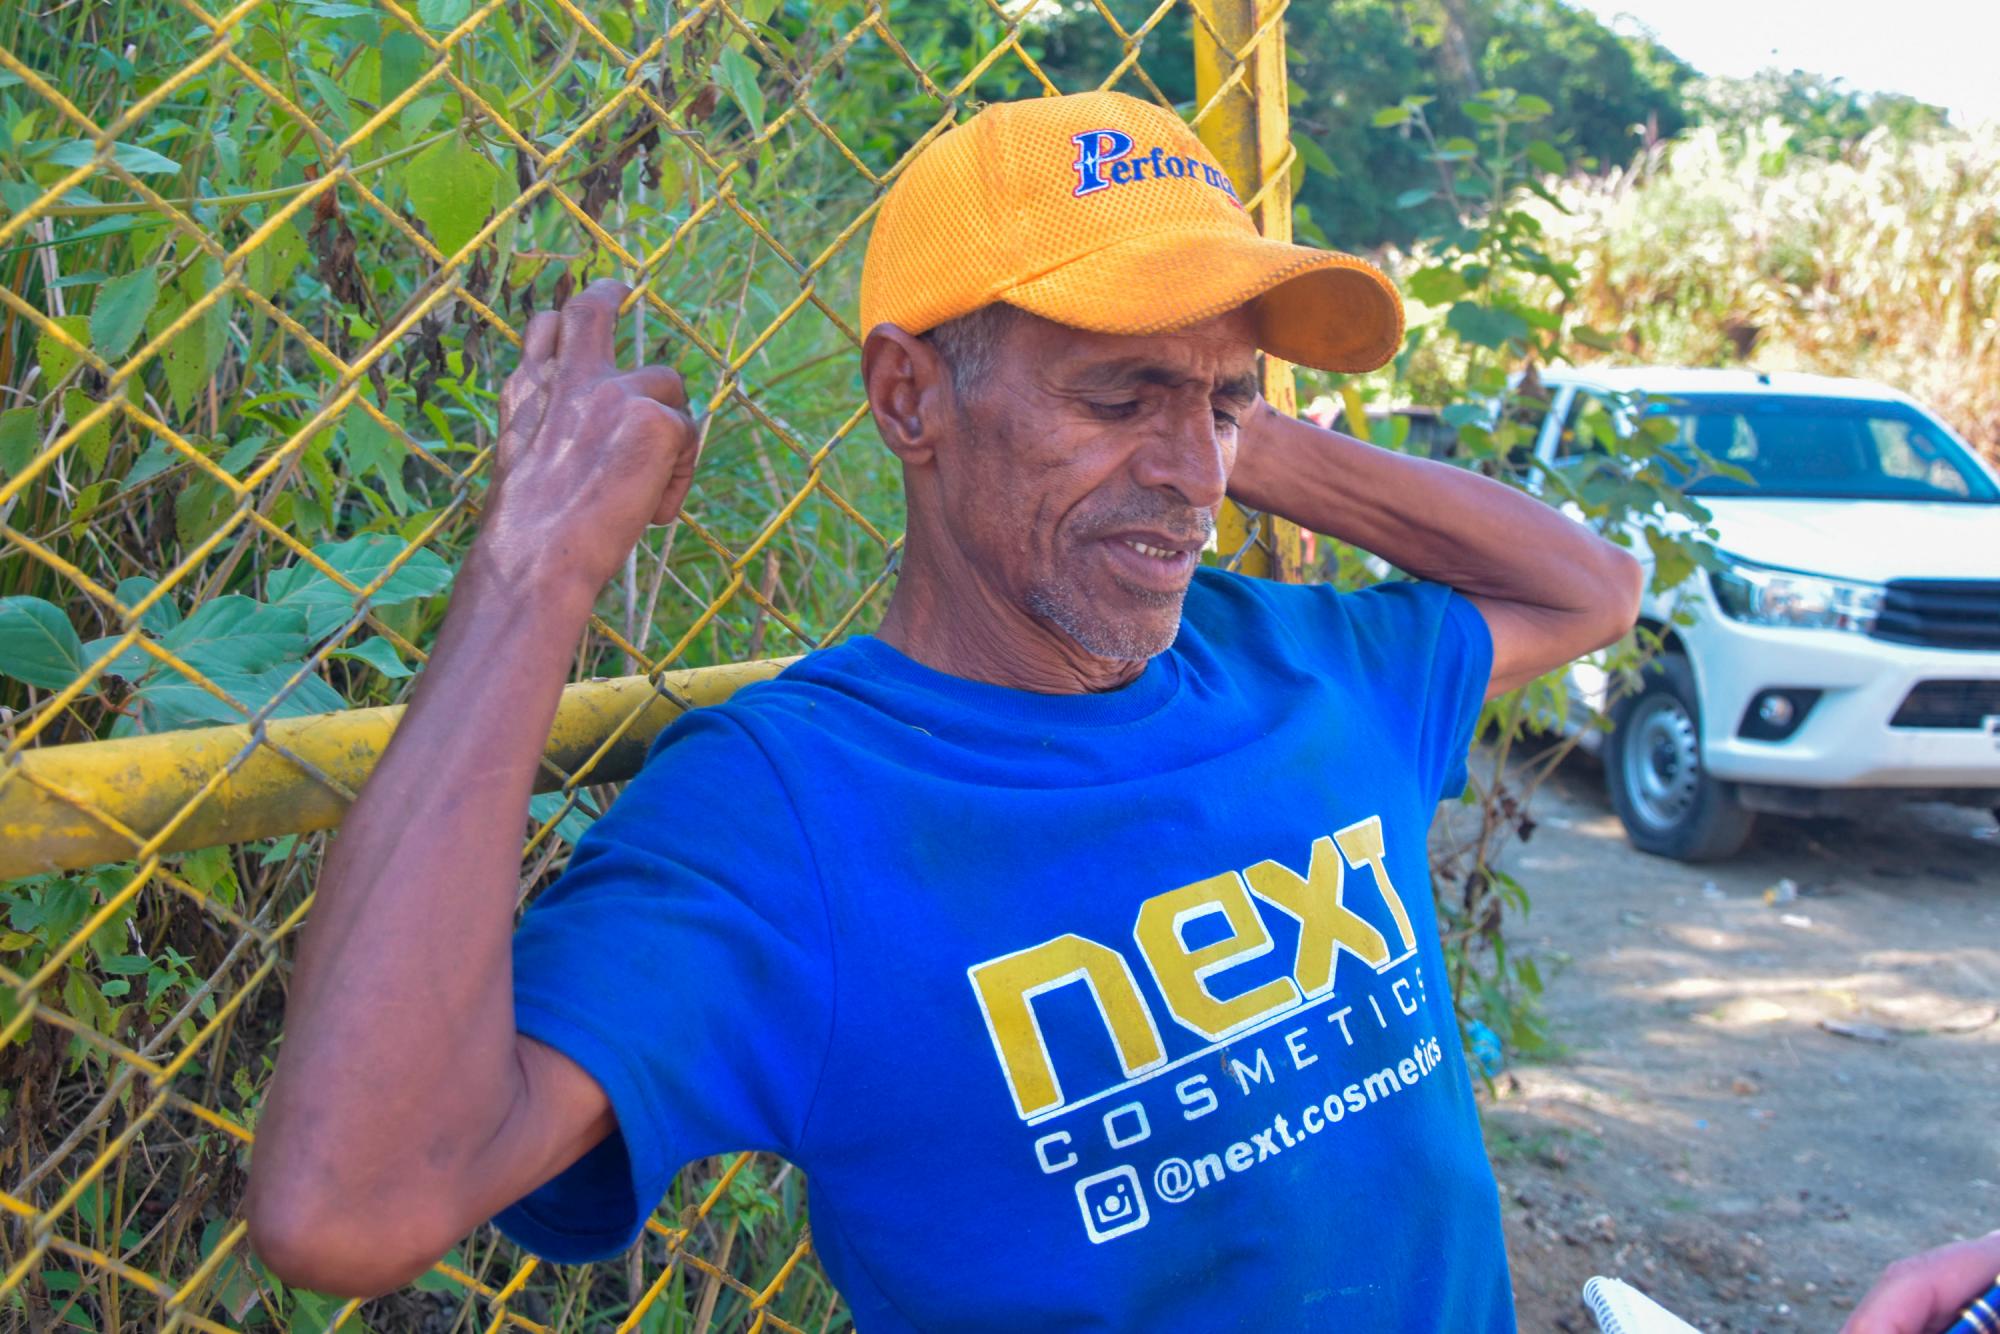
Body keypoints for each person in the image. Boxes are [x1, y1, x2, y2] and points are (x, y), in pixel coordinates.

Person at [245, 91, 1643, 1331]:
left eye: (1222, 402)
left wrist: (1229, 428)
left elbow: (1589, 592)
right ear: (910, 396)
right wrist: (534, 561)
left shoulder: (1299, 662)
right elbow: (349, 1201)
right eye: (1117, 392)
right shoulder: (794, 812)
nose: (1193, 475)